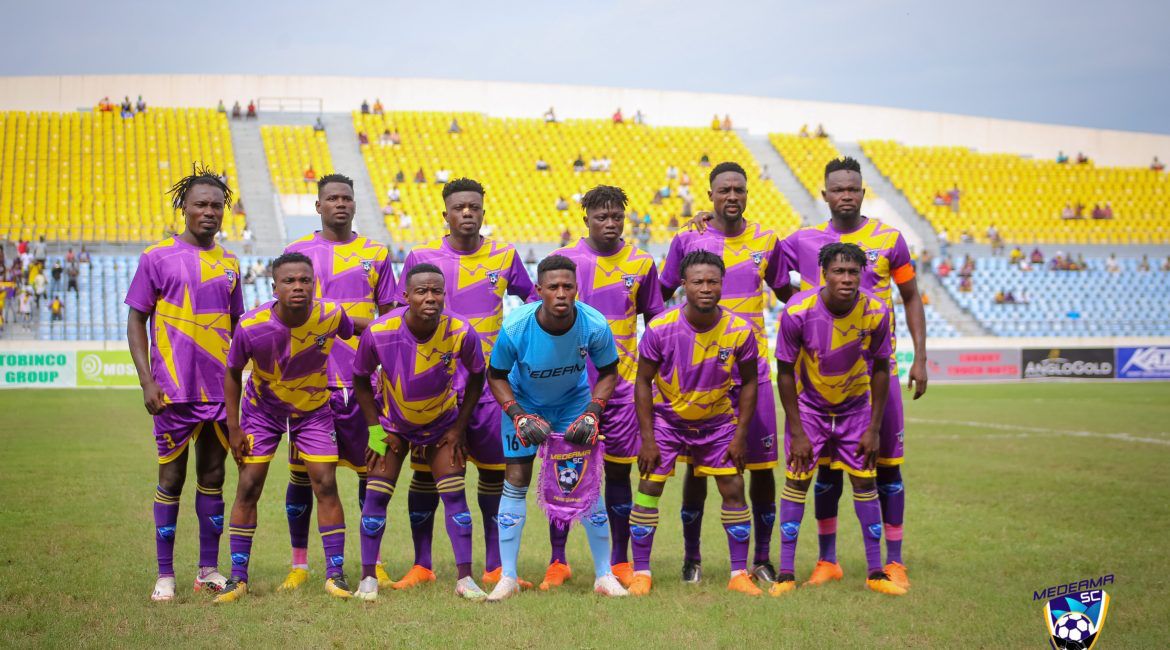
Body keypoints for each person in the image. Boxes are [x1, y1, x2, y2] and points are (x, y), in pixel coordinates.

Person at [772, 156, 926, 590]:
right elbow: (764, 263)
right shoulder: (803, 239)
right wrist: (703, 225)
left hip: (876, 373)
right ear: (825, 194)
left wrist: (920, 357)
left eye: (853, 189)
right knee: (824, 471)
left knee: (886, 466)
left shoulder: (889, 239)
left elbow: (911, 296)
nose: (846, 195)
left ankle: (893, 562)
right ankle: (827, 560)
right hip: (818, 377)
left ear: (862, 192)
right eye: (838, 189)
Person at [394, 178, 536, 589]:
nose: (467, 213)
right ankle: (422, 565)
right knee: (426, 475)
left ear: (483, 212)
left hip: (489, 386)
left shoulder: (504, 255)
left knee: (493, 475)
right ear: (446, 214)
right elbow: (403, 317)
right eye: (459, 207)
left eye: (474, 207)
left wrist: (513, 338)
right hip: (434, 386)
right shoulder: (422, 256)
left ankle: (494, 566)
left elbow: (531, 300)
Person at [660, 162, 787, 585]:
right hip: (699, 377)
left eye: (738, 189)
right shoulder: (688, 238)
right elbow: (659, 295)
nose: (732, 196)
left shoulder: (767, 240)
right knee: (696, 469)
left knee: (762, 468)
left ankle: (762, 559)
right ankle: (692, 559)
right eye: (724, 190)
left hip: (753, 374)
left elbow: (789, 293)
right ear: (710, 195)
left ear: (747, 194)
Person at [125, 167, 243, 601]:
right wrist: (146, 381)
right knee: (171, 478)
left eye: (217, 205)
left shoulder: (230, 263)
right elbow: (136, 320)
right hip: (173, 391)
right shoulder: (156, 257)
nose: (209, 211)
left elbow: (238, 328)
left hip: (218, 391)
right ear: (184, 208)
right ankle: (165, 574)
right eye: (201, 204)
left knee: (213, 475)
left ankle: (207, 570)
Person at [483, 254, 628, 602]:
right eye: (553, 287)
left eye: (567, 286)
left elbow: (609, 371)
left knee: (584, 482)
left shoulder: (594, 325)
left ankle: (604, 574)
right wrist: (518, 415)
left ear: (577, 288)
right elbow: (496, 374)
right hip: (522, 403)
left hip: (572, 405)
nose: (561, 293)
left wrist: (593, 412)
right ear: (539, 290)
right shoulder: (516, 327)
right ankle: (508, 577)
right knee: (516, 479)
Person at [280, 174, 398, 592]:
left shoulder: (376, 254)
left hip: (368, 387)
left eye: (347, 198)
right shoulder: (297, 253)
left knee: (374, 472)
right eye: (332, 198)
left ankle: (373, 562)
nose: (340, 204)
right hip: (309, 386)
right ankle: (299, 565)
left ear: (354, 204)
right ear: (318, 206)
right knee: (302, 477)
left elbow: (392, 318)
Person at [217, 253, 355, 603]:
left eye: (305, 280)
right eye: (289, 281)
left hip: (313, 410)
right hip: (262, 411)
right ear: (274, 287)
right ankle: (238, 578)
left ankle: (335, 575)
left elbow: (359, 329)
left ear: (314, 284)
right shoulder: (251, 325)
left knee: (325, 482)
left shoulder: (330, 314)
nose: (298, 287)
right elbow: (232, 373)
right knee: (249, 484)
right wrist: (233, 428)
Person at [546, 185, 664, 589]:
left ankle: (619, 560)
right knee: (564, 472)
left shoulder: (642, 263)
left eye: (617, 216)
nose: (610, 223)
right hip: (571, 389)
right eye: (602, 216)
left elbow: (656, 323)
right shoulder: (566, 262)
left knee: (618, 474)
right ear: (587, 220)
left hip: (623, 388)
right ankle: (557, 561)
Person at [772, 242, 905, 597]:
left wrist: (874, 428)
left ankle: (876, 573)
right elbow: (784, 372)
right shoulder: (797, 311)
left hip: (856, 410)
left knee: (864, 483)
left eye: (852, 272)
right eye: (838, 271)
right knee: (797, 482)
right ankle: (785, 574)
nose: (846, 278)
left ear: (861, 275)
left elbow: (881, 368)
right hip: (810, 411)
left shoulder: (876, 311)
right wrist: (797, 430)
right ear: (824, 274)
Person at [351, 264, 489, 601]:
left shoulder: (460, 330)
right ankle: (367, 579)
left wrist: (458, 428)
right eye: (422, 291)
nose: (430, 298)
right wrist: (374, 430)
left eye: (436, 291)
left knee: (456, 499)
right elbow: (360, 379)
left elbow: (477, 376)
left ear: (444, 294)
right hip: (393, 426)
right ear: (406, 296)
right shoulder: (380, 331)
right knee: (376, 497)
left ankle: (465, 579)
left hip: (442, 424)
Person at [628, 250, 761, 596]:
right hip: (668, 422)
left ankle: (738, 574)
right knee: (649, 487)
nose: (705, 288)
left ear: (722, 284)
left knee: (733, 487)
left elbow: (750, 382)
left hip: (717, 423)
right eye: (698, 281)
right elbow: (642, 381)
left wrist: (740, 436)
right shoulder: (661, 328)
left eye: (712, 281)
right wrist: (648, 439)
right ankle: (641, 572)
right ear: (683, 284)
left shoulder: (739, 330)